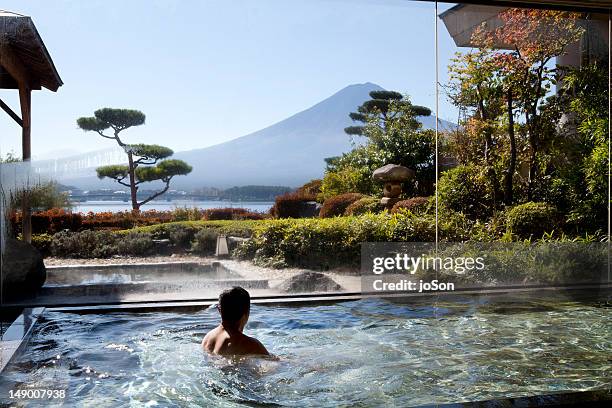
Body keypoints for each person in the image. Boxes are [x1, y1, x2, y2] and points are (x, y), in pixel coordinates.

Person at [202, 286, 269, 356]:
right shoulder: (249, 344)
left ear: (219, 310)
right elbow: (274, 363)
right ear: (246, 314)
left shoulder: (207, 338)